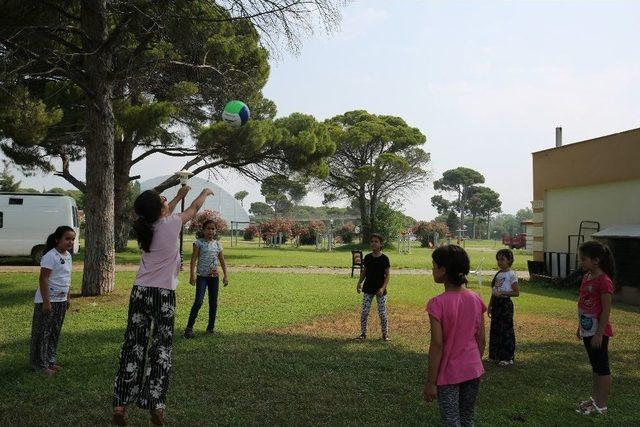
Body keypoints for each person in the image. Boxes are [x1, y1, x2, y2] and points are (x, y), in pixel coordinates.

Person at [112, 186, 213, 426]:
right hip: (163, 295)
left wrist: (177, 196)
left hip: (140, 292)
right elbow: (194, 209)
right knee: (161, 348)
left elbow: (165, 213)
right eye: (162, 202)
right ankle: (156, 404)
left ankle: (120, 405)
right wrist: (204, 193)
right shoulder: (172, 223)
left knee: (133, 346)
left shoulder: (144, 226)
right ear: (160, 209)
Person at [423, 245, 486, 427]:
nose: (433, 270)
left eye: (434, 266)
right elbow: (481, 339)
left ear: (443, 271)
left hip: (449, 374)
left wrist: (431, 382)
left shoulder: (436, 304)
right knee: (467, 418)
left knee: (451, 421)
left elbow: (437, 345)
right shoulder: (476, 299)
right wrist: (475, 364)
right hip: (473, 370)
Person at [29, 226, 76, 375]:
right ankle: (40, 365)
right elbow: (43, 279)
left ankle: (50, 361)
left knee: (54, 332)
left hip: (61, 300)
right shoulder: (50, 255)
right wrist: (46, 302)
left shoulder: (68, 256)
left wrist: (68, 297)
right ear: (57, 239)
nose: (70, 242)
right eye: (67, 239)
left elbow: (66, 279)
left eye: (73, 239)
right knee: (42, 333)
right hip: (48, 301)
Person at [575, 240, 615, 416]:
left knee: (602, 366)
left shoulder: (604, 281)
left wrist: (600, 334)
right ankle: (595, 398)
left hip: (598, 331)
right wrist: (580, 326)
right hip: (587, 329)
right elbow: (584, 303)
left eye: (583, 259)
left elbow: (606, 309)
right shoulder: (586, 277)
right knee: (595, 366)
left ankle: (602, 405)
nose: (581, 262)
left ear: (596, 261)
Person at [184, 220, 229, 338]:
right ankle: (189, 328)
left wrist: (225, 275)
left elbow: (222, 261)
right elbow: (193, 259)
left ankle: (210, 328)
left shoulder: (218, 244)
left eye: (213, 229)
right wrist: (192, 275)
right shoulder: (198, 243)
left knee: (213, 303)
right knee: (198, 301)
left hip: (214, 278)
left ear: (215, 231)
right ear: (203, 230)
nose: (210, 231)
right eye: (208, 228)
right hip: (202, 277)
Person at [487, 248, 520, 366]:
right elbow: (494, 291)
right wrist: (490, 305)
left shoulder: (511, 275)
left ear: (509, 260)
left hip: (505, 305)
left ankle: (507, 357)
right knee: (495, 329)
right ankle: (495, 355)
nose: (499, 262)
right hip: (496, 304)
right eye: (498, 259)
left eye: (502, 259)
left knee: (505, 330)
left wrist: (503, 293)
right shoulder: (499, 274)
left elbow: (516, 292)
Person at [356, 233, 390, 341]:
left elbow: (387, 276)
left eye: (376, 241)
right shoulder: (367, 257)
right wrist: (359, 283)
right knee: (364, 311)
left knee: (382, 313)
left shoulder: (384, 259)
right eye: (372, 241)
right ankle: (363, 333)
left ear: (381, 244)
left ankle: (385, 335)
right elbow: (364, 272)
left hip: (380, 290)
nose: (373, 243)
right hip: (368, 288)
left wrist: (382, 288)